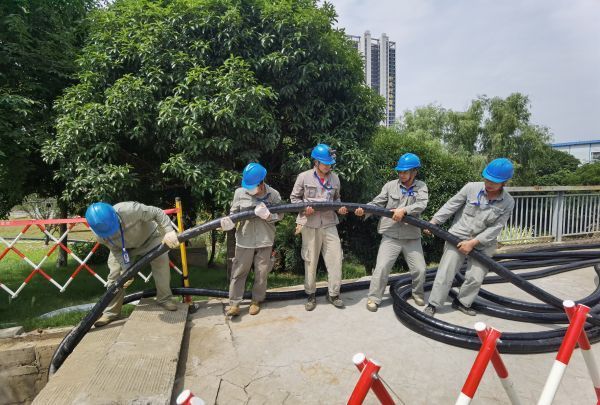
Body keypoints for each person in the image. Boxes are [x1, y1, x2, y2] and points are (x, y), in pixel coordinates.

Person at [423, 158, 515, 317]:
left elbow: (496, 227)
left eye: (494, 181)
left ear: (504, 182)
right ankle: (433, 304)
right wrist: (434, 222)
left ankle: (462, 302)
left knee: (476, 276)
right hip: (458, 236)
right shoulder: (471, 187)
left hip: (484, 242)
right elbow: (451, 205)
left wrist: (473, 243)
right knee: (446, 271)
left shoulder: (508, 202)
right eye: (487, 179)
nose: (489, 183)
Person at [86, 201, 181, 327]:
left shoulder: (131, 209)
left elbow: (157, 212)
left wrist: (169, 231)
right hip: (123, 250)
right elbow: (116, 250)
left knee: (161, 261)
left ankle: (164, 299)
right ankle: (111, 313)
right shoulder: (100, 235)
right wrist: (127, 270)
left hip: (150, 239)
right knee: (115, 276)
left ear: (115, 215)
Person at [355, 153, 429, 312]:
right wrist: (365, 209)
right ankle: (374, 298)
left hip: (411, 236)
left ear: (414, 172)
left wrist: (404, 210)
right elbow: (377, 202)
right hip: (391, 234)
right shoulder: (390, 186)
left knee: (420, 269)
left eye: (405, 172)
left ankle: (417, 293)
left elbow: (422, 204)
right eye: (400, 171)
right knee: (382, 267)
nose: (401, 174)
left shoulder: (421, 187)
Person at [290, 143, 352, 311]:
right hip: (310, 224)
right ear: (316, 162)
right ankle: (311, 295)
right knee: (310, 261)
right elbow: (294, 199)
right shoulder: (303, 177)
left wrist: (340, 208)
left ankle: (333, 294)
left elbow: (337, 199)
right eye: (325, 163)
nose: (328, 166)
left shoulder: (335, 178)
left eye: (330, 163)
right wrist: (304, 208)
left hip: (330, 223)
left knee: (336, 259)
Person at [220, 162, 282, 317]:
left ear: (261, 183)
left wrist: (269, 216)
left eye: (252, 186)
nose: (249, 189)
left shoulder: (273, 194)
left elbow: (281, 215)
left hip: (265, 238)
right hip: (244, 238)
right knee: (239, 271)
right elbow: (233, 213)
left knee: (261, 272)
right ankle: (234, 304)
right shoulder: (239, 193)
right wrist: (229, 223)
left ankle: (256, 301)